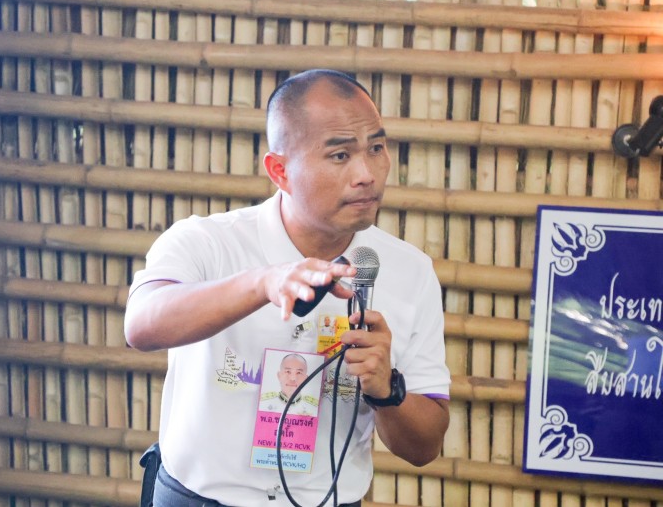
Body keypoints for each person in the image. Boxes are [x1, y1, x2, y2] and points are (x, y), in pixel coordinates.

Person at [125, 69, 450, 507]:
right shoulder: (207, 241)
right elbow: (141, 325)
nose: (367, 174)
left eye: (376, 148)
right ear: (280, 171)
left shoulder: (409, 272)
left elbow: (425, 447)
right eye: (340, 155)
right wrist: (262, 282)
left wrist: (386, 389)